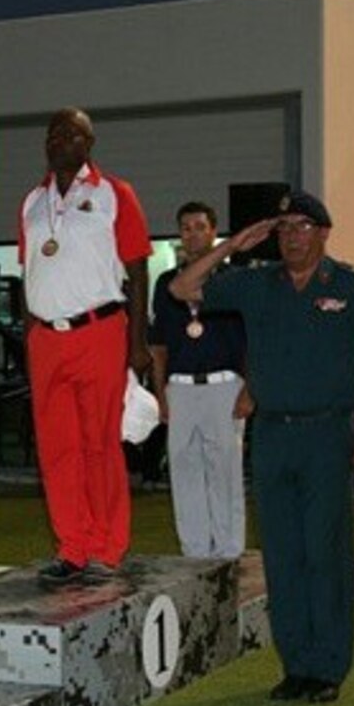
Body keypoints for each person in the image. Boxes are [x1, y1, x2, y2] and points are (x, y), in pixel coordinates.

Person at [170, 191, 354, 704]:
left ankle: (328, 666)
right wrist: (232, 245)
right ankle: (296, 664)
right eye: (284, 227)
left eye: (303, 226)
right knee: (282, 553)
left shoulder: (350, 288)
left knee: (325, 552)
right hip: (272, 433)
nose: (292, 236)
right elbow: (184, 285)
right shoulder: (257, 284)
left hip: (326, 433)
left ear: (324, 233)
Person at [18, 107, 152, 583]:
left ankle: (107, 548)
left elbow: (137, 271)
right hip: (45, 336)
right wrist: (27, 331)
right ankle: (72, 547)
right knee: (57, 449)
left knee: (100, 443)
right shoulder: (32, 201)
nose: (60, 140)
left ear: (89, 143)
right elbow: (30, 270)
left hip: (100, 329)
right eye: (53, 133)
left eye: (72, 133)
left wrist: (138, 345)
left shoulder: (115, 193)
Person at [148, 201, 252, 558]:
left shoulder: (233, 280)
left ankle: (228, 550)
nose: (192, 234)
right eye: (186, 228)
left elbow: (254, 341)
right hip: (180, 386)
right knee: (184, 468)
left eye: (199, 226)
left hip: (225, 385)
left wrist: (248, 390)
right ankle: (194, 551)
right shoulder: (166, 283)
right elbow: (158, 346)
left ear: (214, 231)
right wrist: (160, 394)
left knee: (224, 470)